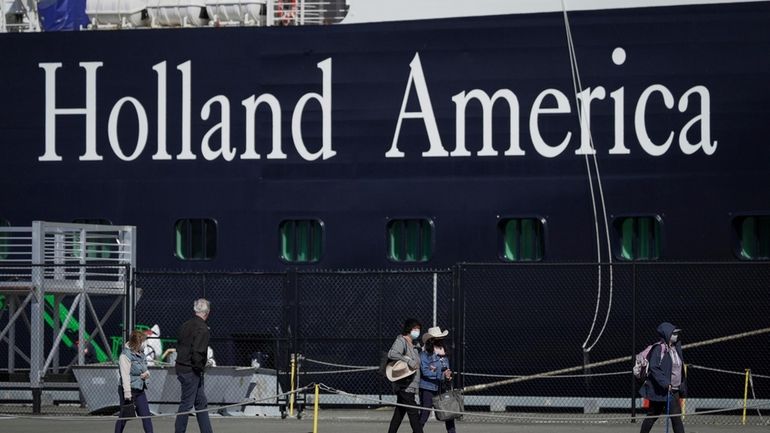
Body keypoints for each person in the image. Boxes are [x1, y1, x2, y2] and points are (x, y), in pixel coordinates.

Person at [639, 322, 687, 433]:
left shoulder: (676, 349)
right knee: (652, 416)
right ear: (667, 334)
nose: (676, 335)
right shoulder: (658, 349)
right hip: (661, 390)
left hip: (674, 390)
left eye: (676, 333)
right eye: (674, 333)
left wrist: (681, 386)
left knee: (676, 418)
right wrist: (665, 383)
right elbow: (654, 367)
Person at [174, 299, 214, 433]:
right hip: (192, 371)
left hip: (182, 367)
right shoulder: (203, 329)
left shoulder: (185, 325)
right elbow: (198, 352)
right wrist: (200, 368)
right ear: (207, 313)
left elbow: (179, 345)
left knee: (201, 403)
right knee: (186, 405)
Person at [386, 318, 423, 433]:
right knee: (413, 413)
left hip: (412, 384)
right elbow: (392, 353)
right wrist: (408, 360)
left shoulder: (416, 345)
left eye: (419, 329)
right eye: (415, 329)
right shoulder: (401, 341)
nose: (417, 331)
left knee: (399, 413)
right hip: (404, 384)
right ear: (409, 329)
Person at [114, 330, 153, 433]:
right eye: (143, 341)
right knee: (124, 417)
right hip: (128, 390)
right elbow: (125, 375)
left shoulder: (142, 354)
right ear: (137, 343)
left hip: (140, 390)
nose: (145, 344)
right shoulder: (125, 355)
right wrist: (127, 393)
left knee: (146, 416)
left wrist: (147, 374)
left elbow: (144, 368)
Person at [419, 326, 456, 433]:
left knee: (448, 414)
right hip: (427, 388)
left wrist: (448, 375)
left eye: (441, 338)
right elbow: (425, 372)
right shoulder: (424, 355)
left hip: (442, 387)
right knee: (424, 414)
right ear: (431, 340)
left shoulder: (444, 355)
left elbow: (446, 370)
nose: (440, 341)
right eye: (437, 338)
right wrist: (441, 375)